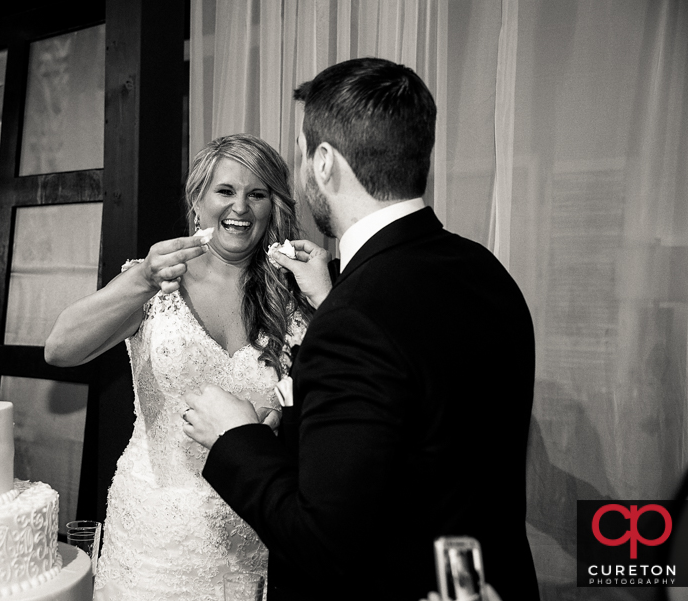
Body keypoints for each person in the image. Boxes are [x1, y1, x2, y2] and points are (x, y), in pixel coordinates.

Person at [183, 58, 540, 601]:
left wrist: (237, 437)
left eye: (304, 155)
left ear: (323, 162)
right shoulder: (483, 271)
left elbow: (324, 543)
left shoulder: (355, 317)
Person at [44, 133, 326, 600]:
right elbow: (60, 348)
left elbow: (336, 400)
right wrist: (142, 279)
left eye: (257, 194)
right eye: (225, 191)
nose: (241, 207)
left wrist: (281, 422)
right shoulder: (157, 279)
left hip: (253, 528)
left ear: (272, 207)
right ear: (197, 200)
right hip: (153, 539)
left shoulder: (292, 296)